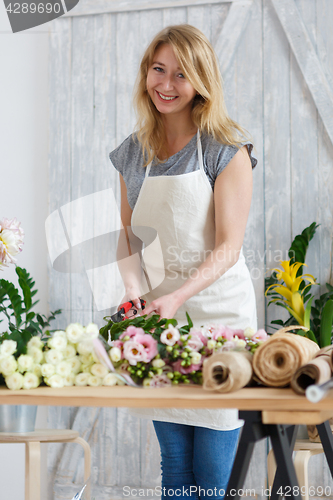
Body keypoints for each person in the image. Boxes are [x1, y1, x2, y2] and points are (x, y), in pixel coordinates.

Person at [109, 24, 257, 500]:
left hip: (220, 322)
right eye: (158, 69)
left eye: (180, 74)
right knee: (174, 468)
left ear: (201, 82)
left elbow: (228, 246)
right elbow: (128, 237)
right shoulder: (134, 153)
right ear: (145, 73)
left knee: (214, 477)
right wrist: (134, 291)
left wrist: (176, 295)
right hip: (162, 324)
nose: (166, 85)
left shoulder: (225, 150)